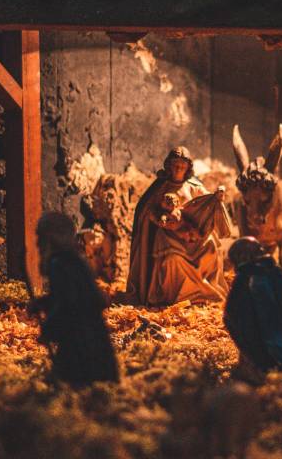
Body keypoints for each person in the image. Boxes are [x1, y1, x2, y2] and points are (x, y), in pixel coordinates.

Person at [126, 147, 232, 305]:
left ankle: (205, 294)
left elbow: (206, 202)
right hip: (169, 237)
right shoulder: (160, 188)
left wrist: (217, 197)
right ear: (169, 166)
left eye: (182, 167)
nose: (178, 169)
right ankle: (173, 298)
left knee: (211, 245)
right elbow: (148, 210)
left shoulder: (194, 186)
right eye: (176, 165)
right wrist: (159, 219)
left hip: (192, 236)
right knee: (172, 259)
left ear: (188, 168)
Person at [30, 212, 119, 385]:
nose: (38, 243)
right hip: (86, 333)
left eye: (41, 237)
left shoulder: (59, 264)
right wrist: (43, 303)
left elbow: (69, 302)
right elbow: (66, 294)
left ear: (52, 238)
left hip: (81, 336)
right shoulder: (73, 261)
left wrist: (49, 327)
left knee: (78, 378)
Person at [223, 237, 282, 374]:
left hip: (259, 345)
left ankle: (264, 368)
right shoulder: (276, 272)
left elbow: (231, 313)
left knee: (267, 355)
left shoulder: (244, 278)